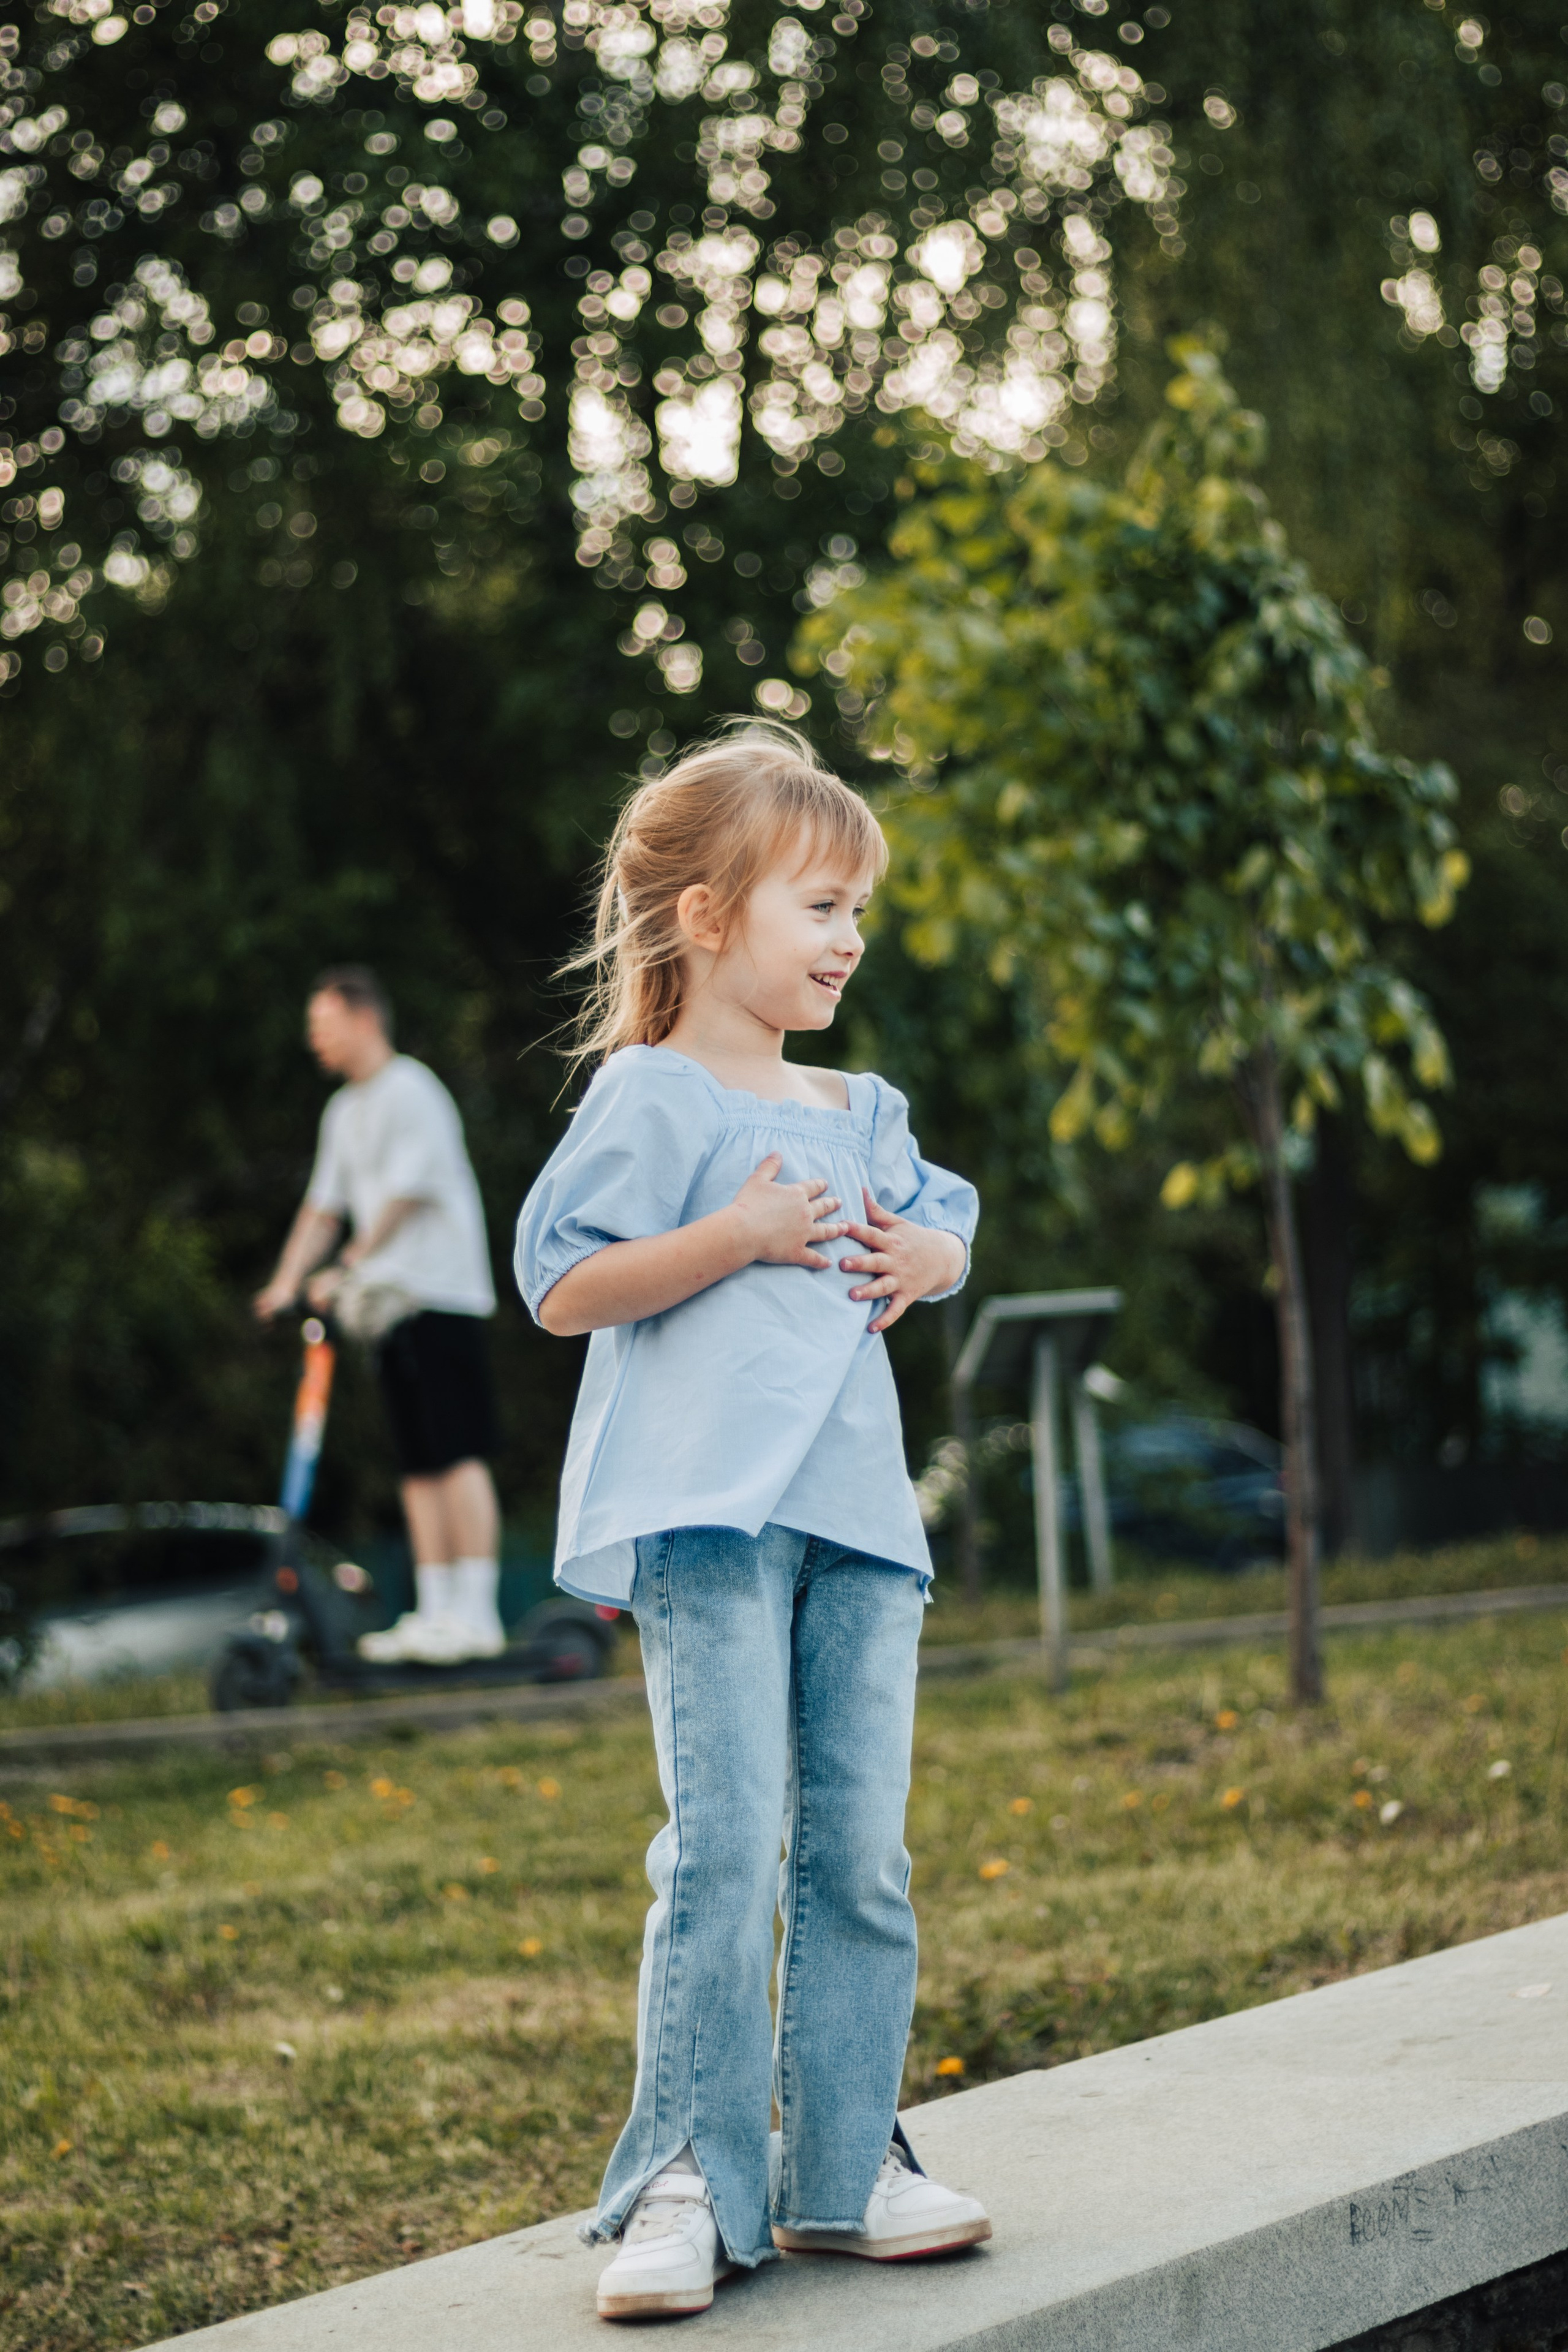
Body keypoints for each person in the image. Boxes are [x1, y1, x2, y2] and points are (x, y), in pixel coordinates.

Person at [514, 727, 990, 2323]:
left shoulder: (860, 1105)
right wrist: (733, 1234)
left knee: (859, 1855)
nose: (850, 938)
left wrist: (931, 1260)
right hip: (706, 1524)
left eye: (860, 910)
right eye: (821, 905)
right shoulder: (651, 1095)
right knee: (723, 1850)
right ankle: (687, 2180)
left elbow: (943, 1220)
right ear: (707, 916)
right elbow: (562, 1282)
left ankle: (843, 2169)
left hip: (859, 1525)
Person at [254, 966, 506, 1666]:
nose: (315, 1040)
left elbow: (404, 1196)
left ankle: (477, 1614)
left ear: (364, 1019)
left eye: (324, 1025)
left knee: (457, 1455)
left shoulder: (411, 1090)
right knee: (417, 1463)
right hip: (384, 1309)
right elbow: (322, 1207)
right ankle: (436, 1612)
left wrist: (346, 1267)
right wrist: (284, 1283)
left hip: (439, 1295)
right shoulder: (343, 1111)